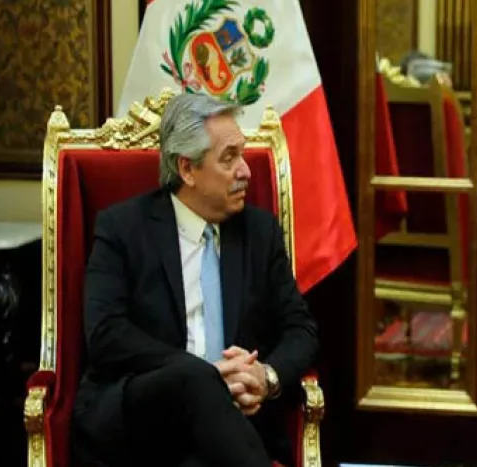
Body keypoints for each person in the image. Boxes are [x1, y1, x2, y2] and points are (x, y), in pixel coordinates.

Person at [72, 93, 318, 467]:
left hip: (233, 425)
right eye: (228, 158)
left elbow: (301, 330)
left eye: (243, 153)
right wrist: (205, 375)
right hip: (144, 416)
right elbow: (105, 334)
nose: (245, 171)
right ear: (187, 169)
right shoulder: (122, 228)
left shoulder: (259, 232)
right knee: (192, 379)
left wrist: (264, 378)